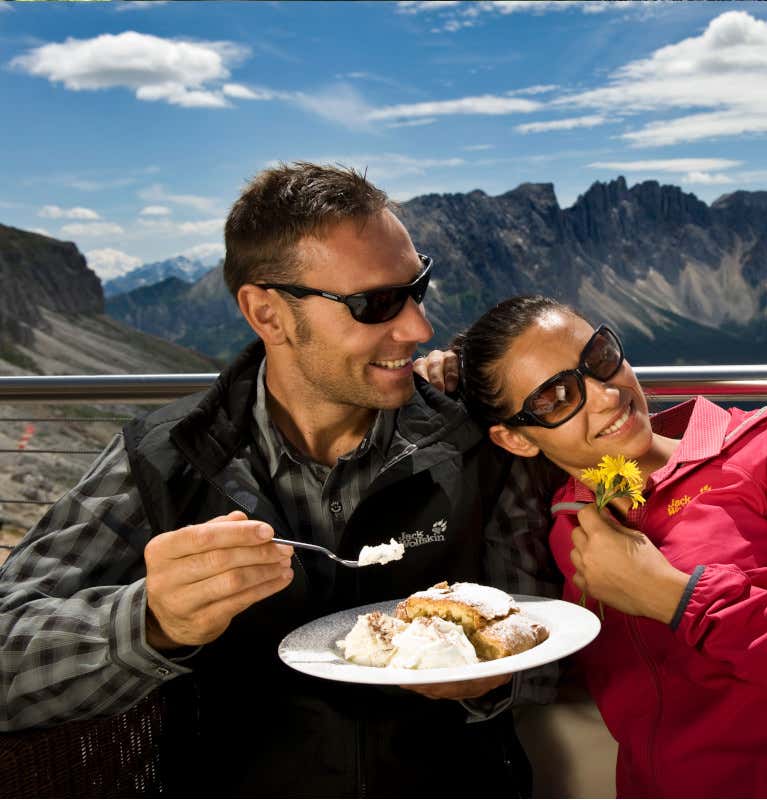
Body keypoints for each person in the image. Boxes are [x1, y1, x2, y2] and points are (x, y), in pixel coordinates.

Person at [0, 163, 559, 797]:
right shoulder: (162, 458)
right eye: (374, 304)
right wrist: (150, 621)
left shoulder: (474, 438)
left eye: (417, 289)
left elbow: (542, 631)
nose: (418, 329)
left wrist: (491, 684)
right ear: (266, 314)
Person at [453, 295, 767, 798]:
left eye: (601, 358)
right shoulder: (567, 524)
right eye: (554, 398)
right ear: (516, 440)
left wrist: (679, 599)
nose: (607, 394)